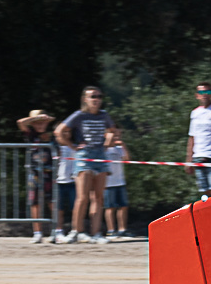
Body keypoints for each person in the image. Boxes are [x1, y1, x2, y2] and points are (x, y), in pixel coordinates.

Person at [55, 85, 115, 243]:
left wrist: (108, 140)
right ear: (85, 99)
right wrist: (72, 147)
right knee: (82, 197)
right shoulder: (79, 115)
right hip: (84, 156)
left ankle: (96, 233)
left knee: (98, 198)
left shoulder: (104, 115)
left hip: (100, 155)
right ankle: (77, 231)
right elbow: (59, 131)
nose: (96, 100)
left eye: (99, 96)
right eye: (93, 96)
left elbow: (113, 130)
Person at [17, 109, 56, 243]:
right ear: (32, 124)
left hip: (50, 173)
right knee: (35, 203)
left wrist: (44, 119)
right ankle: (37, 233)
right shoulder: (30, 135)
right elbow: (20, 122)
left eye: (43, 122)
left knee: (52, 202)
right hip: (34, 173)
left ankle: (55, 231)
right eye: (37, 122)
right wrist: (36, 118)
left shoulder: (51, 135)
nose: (40, 125)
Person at [103, 129, 131, 239]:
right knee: (110, 207)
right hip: (108, 183)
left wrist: (123, 145)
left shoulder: (119, 149)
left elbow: (127, 159)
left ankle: (122, 230)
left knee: (123, 206)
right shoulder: (103, 150)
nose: (117, 138)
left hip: (120, 182)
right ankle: (111, 230)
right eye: (114, 135)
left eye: (119, 135)